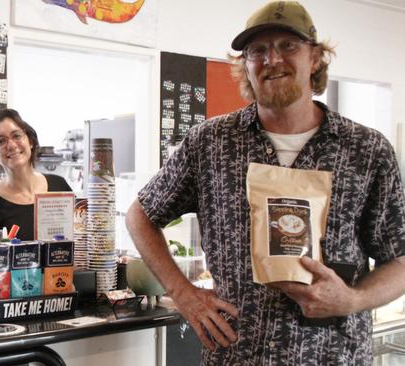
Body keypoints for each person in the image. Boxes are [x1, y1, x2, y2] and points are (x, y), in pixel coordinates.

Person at [125, 1, 405, 364]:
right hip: (238, 352)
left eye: (288, 46)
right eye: (258, 50)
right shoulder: (211, 143)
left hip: (335, 355)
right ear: (246, 64)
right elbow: (140, 215)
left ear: (315, 58)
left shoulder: (366, 150)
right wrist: (184, 294)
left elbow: (398, 260)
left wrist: (352, 300)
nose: (272, 60)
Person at [0, 108, 72, 241]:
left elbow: (79, 240)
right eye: (0, 141)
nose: (11, 145)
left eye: (16, 136)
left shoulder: (60, 187)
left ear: (30, 141)